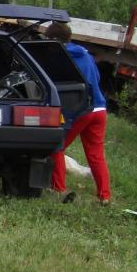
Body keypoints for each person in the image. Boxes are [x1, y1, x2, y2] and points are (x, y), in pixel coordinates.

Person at [46, 21, 111, 204]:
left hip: (82, 109)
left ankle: (58, 188)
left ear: (53, 41)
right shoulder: (86, 54)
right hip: (100, 108)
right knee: (96, 154)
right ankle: (105, 196)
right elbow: (97, 79)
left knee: (57, 146)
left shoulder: (62, 57)